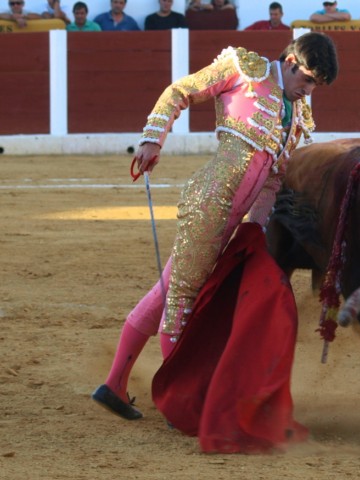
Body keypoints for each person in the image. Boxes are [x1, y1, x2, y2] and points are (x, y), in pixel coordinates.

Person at [92, 31, 339, 421]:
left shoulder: (297, 116)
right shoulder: (246, 71)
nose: (307, 92)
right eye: (307, 80)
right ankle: (182, 401)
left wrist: (255, 231)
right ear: (291, 63)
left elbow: (273, 181)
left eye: (315, 86)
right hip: (211, 200)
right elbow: (180, 91)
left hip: (235, 218)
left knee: (168, 291)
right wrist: (153, 138)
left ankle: (115, 385)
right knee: (182, 297)